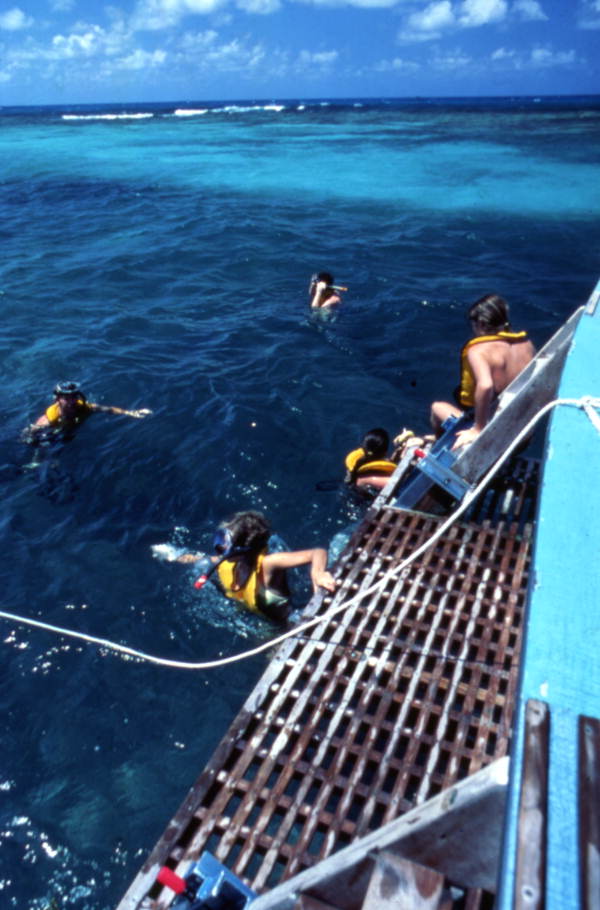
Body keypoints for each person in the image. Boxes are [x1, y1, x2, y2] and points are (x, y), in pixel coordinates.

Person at [153, 510, 337, 623]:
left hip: (285, 622)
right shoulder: (226, 560)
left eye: (225, 544)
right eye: (219, 540)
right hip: (254, 613)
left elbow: (317, 553)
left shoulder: (268, 564)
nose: (220, 548)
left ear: (243, 549)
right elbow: (202, 559)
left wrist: (318, 573)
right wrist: (175, 555)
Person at [430, 294, 535, 450]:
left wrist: (478, 429)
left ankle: (440, 445)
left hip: (495, 434)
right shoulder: (526, 344)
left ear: (481, 324)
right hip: (523, 431)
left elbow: (485, 385)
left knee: (437, 408)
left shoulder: (478, 351)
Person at [23, 381, 152, 439]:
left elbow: (109, 409)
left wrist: (132, 413)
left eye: (74, 397)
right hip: (55, 433)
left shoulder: (85, 407)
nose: (71, 401)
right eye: (66, 398)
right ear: (58, 399)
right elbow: (30, 432)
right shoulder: (50, 418)